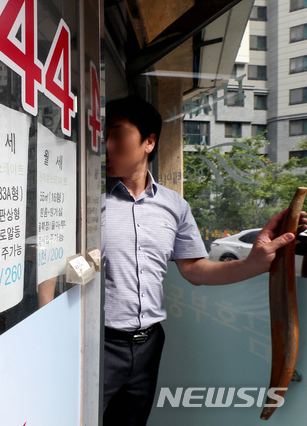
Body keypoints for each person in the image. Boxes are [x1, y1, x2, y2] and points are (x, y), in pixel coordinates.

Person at [101, 95, 307, 425]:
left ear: (149, 142)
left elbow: (195, 270)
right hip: (98, 343)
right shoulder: (88, 198)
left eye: (117, 134)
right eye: (102, 135)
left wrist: (253, 262)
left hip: (149, 344)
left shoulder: (174, 206)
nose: (107, 145)